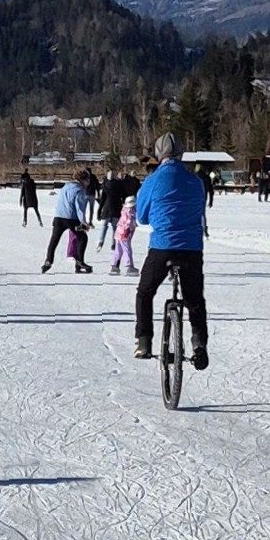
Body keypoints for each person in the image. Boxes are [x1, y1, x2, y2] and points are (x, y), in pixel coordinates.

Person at [134, 133, 209, 368]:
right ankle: (199, 344)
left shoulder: (152, 180)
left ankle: (144, 341)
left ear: (159, 154)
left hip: (163, 246)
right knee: (194, 299)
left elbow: (141, 216)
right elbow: (199, 209)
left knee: (145, 292)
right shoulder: (196, 181)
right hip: (191, 247)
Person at [41, 168, 94, 274]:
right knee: (82, 237)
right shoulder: (79, 189)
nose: (88, 183)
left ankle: (48, 261)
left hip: (58, 217)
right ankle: (80, 262)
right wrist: (84, 222)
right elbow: (80, 208)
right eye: (88, 180)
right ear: (83, 180)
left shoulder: (66, 186)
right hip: (71, 219)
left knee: (54, 240)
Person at [97, 170, 127, 250]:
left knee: (104, 226)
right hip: (116, 208)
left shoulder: (105, 185)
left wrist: (99, 210)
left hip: (107, 208)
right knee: (115, 227)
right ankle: (113, 244)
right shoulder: (119, 185)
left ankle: (101, 241)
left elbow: (102, 199)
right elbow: (124, 195)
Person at [111, 195, 138, 275]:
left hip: (119, 232)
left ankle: (114, 266)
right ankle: (129, 266)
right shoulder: (130, 211)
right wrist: (129, 228)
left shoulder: (124, 209)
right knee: (127, 249)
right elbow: (129, 221)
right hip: (125, 232)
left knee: (118, 249)